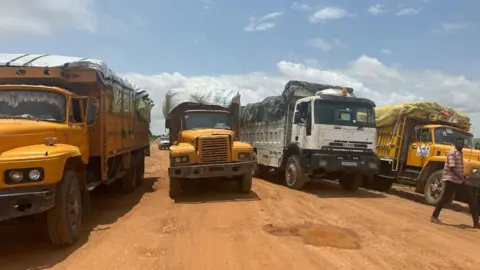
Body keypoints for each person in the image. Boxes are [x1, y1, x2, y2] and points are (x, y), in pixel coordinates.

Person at [430, 137, 480, 228]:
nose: (461, 145)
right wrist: (463, 179)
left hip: (459, 180)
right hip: (451, 180)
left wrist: (463, 176)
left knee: (471, 199)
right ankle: (434, 216)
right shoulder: (452, 153)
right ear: (455, 144)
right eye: (459, 143)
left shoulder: (460, 152)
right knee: (445, 199)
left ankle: (476, 223)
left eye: (462, 144)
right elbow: (452, 168)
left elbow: (458, 168)